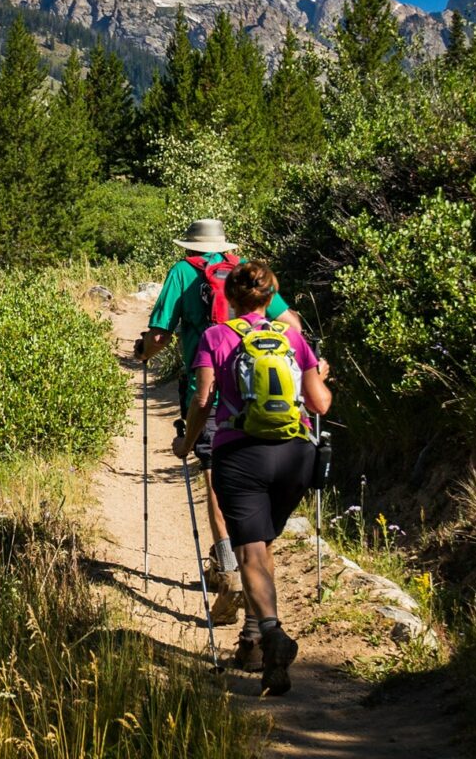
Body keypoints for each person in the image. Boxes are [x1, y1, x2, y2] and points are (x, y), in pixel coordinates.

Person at [134, 219, 301, 634]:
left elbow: (158, 337)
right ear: (223, 245)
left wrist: (142, 352)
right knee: (256, 500)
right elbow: (292, 324)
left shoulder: (182, 272)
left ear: (189, 245)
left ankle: (228, 570)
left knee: (216, 479)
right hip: (262, 399)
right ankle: (254, 583)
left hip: (207, 389)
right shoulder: (246, 271)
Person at [173, 260, 331, 695]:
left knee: (251, 551)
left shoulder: (216, 336)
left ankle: (270, 632)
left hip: (241, 455)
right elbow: (320, 405)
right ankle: (256, 642)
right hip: (296, 454)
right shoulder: (294, 338)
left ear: (229, 298)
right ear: (270, 296)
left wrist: (186, 444)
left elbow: (203, 400)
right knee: (263, 544)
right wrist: (322, 376)